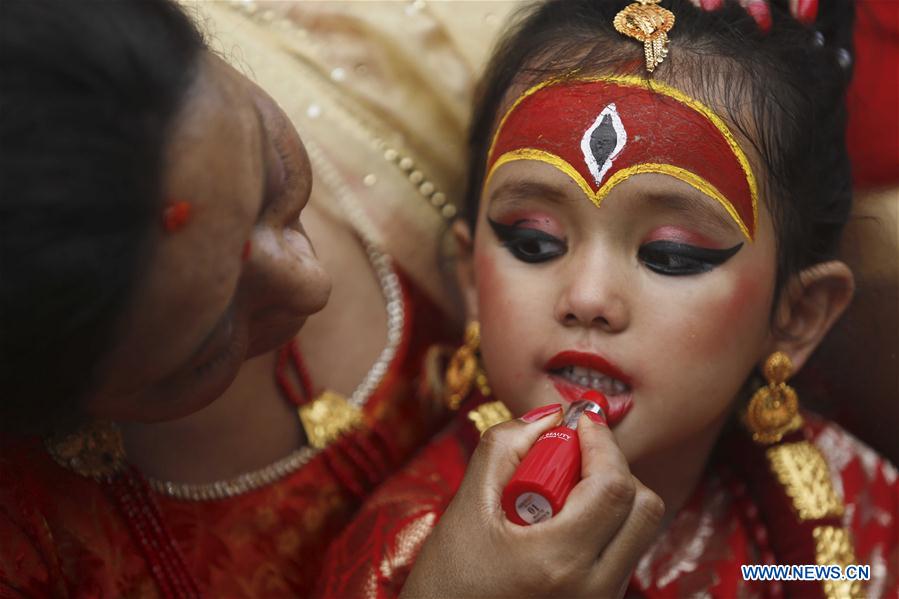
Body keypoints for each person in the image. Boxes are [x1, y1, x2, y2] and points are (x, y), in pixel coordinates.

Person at [316, 1, 899, 597]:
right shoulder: (414, 560)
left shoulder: (829, 532)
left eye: (671, 254)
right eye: (535, 242)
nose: (588, 297)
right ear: (472, 279)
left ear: (796, 318)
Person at [0, 0, 333, 595]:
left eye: (271, 177)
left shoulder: (351, 39)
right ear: (62, 408)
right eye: (207, 351)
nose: (313, 284)